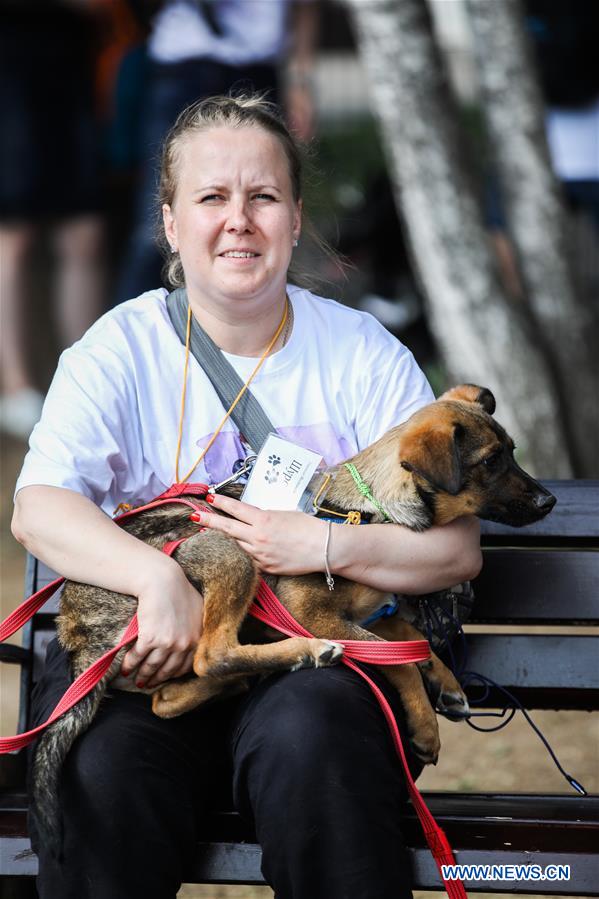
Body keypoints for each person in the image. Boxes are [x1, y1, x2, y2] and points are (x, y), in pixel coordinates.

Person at [12, 94, 481, 899]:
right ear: (169, 221)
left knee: (317, 739)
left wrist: (322, 546)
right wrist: (157, 578)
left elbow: (454, 549)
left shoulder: (361, 353)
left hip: (313, 665)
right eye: (211, 198)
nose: (239, 220)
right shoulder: (117, 347)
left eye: (262, 197)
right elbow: (39, 505)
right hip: (154, 666)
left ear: (295, 219)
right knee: (104, 770)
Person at [115, 0, 318, 304]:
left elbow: (305, 7)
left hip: (261, 67)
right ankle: (135, 341)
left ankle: (258, 341)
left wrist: (301, 80)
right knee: (154, 225)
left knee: (265, 217)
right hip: (186, 66)